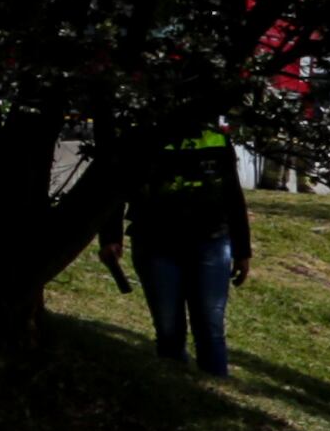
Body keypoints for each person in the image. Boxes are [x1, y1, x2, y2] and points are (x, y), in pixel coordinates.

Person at [98, 124, 255, 378]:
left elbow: (232, 195)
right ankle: (176, 390)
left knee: (210, 328)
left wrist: (242, 250)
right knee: (169, 329)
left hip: (210, 241)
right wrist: (110, 237)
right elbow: (116, 187)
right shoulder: (140, 136)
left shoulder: (215, 139)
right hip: (155, 243)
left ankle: (215, 392)